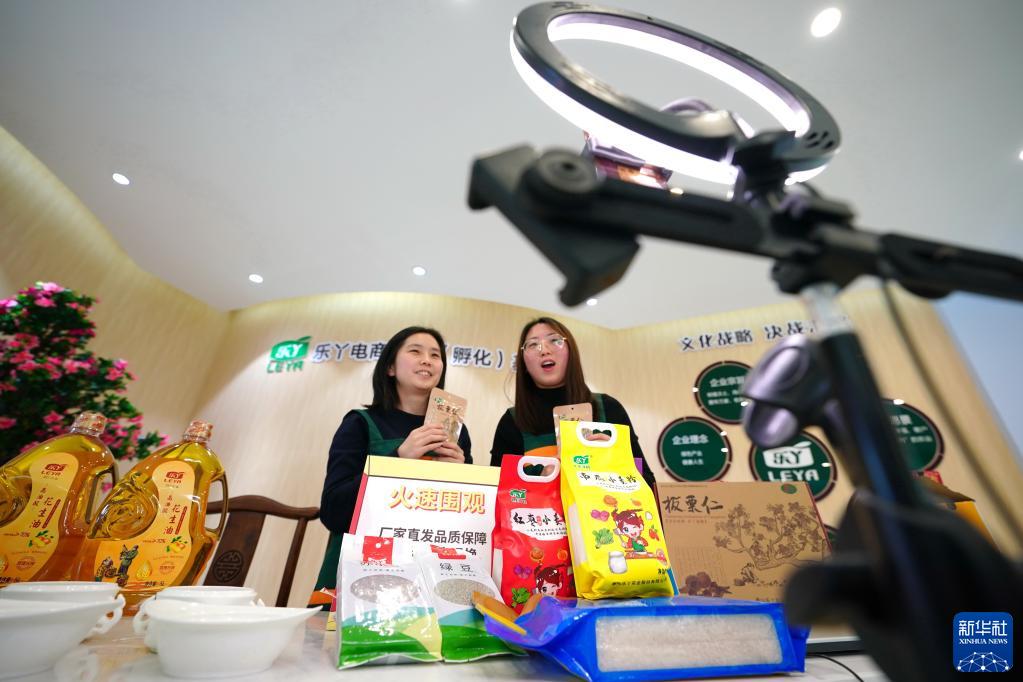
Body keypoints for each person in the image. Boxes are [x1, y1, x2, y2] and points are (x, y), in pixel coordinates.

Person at [314, 326, 471, 591]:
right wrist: (397, 460)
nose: (427, 360)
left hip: (430, 571)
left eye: (435, 355)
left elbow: (467, 517)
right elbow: (333, 511)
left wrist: (462, 476)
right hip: (361, 568)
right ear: (390, 368)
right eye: (415, 351)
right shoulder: (359, 423)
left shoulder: (457, 432)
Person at [489, 317, 656, 489]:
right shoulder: (512, 421)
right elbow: (497, 491)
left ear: (571, 351)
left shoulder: (608, 407)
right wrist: (543, 474)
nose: (544, 350)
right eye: (533, 344)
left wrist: (615, 459)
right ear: (523, 361)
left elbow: (648, 485)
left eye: (554, 340)